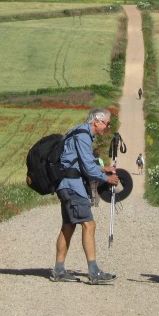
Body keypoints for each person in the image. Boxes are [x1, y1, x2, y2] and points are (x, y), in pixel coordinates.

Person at [51, 108, 119, 285]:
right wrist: (107, 178)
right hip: (73, 186)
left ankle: (58, 270)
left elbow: (82, 162)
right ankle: (94, 272)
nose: (107, 127)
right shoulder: (83, 136)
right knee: (89, 224)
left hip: (65, 184)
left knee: (68, 226)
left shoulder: (77, 131)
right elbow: (88, 168)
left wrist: (102, 168)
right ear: (96, 121)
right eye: (106, 123)